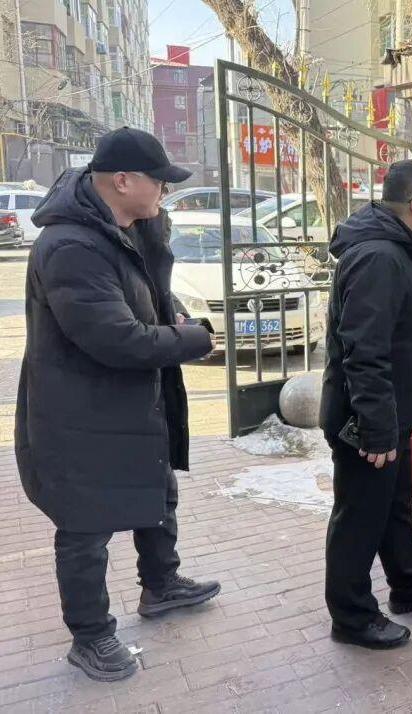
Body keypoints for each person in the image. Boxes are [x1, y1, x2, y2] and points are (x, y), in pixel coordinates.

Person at [15, 127, 219, 682]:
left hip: (128, 404)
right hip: (78, 414)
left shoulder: (124, 230)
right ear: (123, 181)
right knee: (85, 527)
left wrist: (168, 307)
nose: (165, 192)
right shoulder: (71, 246)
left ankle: (161, 584)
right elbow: (116, 339)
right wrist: (193, 339)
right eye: (159, 181)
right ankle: (90, 637)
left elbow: (145, 298)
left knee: (158, 490)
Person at [321, 159, 412, 650]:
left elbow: (394, 329)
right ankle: (352, 616)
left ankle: (411, 584)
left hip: (389, 414)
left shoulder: (397, 251)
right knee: (359, 518)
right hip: (366, 421)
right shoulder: (379, 257)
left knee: (393, 506)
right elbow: (364, 350)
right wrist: (377, 428)